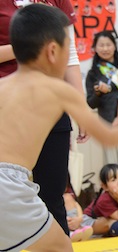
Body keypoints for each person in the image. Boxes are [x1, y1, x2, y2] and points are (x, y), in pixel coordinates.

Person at [0, 4, 118, 251]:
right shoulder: (55, 89)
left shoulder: (3, 86)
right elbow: (109, 136)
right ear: (52, 51)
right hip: (11, 188)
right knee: (61, 247)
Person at [0, 0, 89, 236]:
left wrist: (81, 106)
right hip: (9, 108)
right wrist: (27, 46)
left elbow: (69, 54)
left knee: (53, 194)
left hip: (51, 105)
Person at [86, 31, 118, 171]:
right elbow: (91, 103)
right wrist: (99, 93)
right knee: (114, 164)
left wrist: (110, 87)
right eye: (101, 45)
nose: (105, 49)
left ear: (114, 46)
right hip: (107, 123)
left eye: (108, 44)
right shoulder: (93, 73)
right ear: (95, 48)